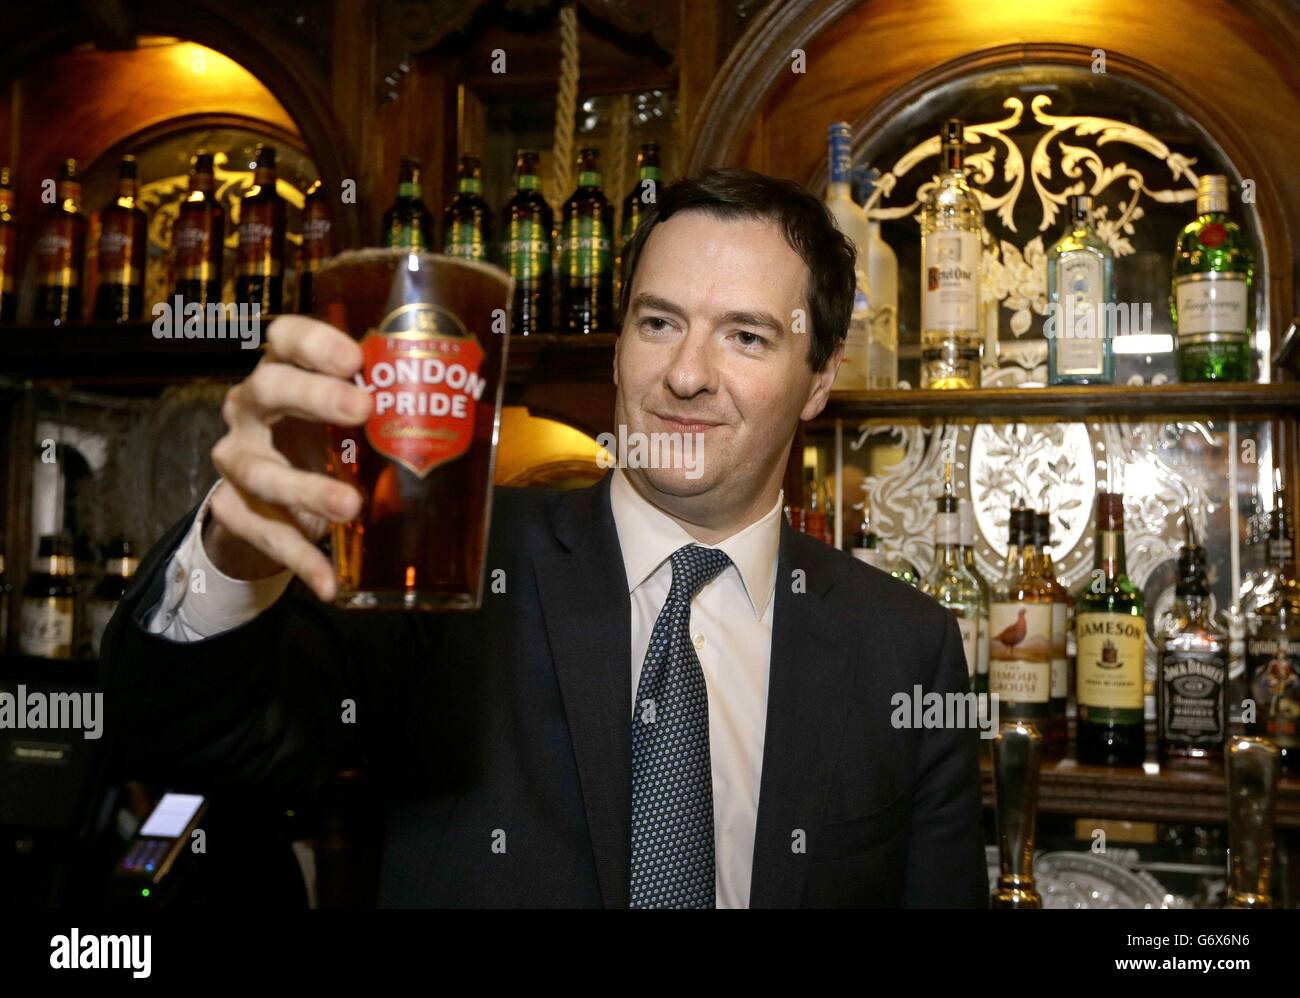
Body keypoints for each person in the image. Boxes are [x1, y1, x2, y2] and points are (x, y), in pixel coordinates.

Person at [101, 168, 987, 908]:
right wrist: (235, 549)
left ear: (822, 376)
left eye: (746, 337)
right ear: (617, 348)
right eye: (658, 322)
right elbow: (186, 740)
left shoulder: (906, 647)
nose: (685, 375)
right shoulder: (453, 570)